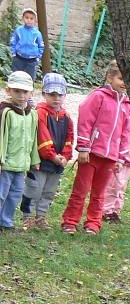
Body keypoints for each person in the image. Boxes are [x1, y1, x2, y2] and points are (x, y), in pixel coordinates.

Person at [61, 60, 130, 235]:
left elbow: (126, 133)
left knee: (99, 193)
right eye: (121, 78)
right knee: (81, 190)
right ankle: (70, 222)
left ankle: (93, 223)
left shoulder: (127, 105)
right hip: (91, 154)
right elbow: (86, 121)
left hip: (110, 159)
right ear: (110, 77)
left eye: (128, 80)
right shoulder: (98, 96)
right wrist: (84, 148)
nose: (124, 83)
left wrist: (120, 158)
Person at [22, 72, 73, 230]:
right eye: (52, 94)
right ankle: (27, 217)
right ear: (44, 93)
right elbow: (42, 136)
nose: (56, 98)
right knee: (34, 189)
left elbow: (70, 137)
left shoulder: (66, 116)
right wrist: (52, 156)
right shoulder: (40, 112)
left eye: (60, 94)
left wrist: (65, 156)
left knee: (49, 191)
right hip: (41, 160)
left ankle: (41, 217)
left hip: (57, 163)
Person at [0, 71, 40, 231]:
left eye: (25, 91)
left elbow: (34, 138)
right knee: (1, 194)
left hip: (21, 165)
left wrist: (34, 159)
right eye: (17, 91)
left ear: (32, 92)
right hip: (6, 164)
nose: (21, 95)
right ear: (8, 90)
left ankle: (6, 221)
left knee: (15, 195)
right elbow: (1, 137)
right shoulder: (6, 112)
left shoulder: (32, 114)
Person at [102, 117, 130, 223]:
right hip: (120, 156)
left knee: (121, 186)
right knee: (114, 185)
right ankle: (106, 210)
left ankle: (116, 210)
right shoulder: (127, 113)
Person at [9, 8, 44, 82]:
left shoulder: (37, 33)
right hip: (19, 58)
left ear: (35, 20)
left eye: (31, 18)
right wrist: (13, 53)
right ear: (23, 18)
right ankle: (15, 91)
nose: (29, 20)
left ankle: (29, 92)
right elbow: (13, 41)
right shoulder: (19, 30)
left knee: (29, 79)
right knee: (16, 76)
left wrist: (38, 57)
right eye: (27, 17)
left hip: (32, 60)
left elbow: (41, 45)